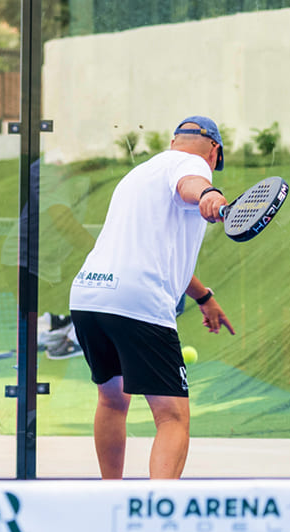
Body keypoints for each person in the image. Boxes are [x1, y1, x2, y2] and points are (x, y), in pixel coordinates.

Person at [68, 115, 235, 480]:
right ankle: (159, 518)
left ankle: (112, 499)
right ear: (214, 153)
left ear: (174, 141)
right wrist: (208, 193)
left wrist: (204, 297)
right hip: (138, 304)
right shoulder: (192, 165)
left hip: (90, 296)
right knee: (172, 417)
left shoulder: (139, 175)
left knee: (112, 401)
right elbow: (190, 184)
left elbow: (162, 251)